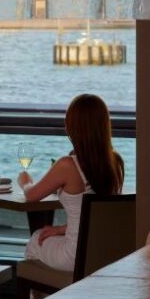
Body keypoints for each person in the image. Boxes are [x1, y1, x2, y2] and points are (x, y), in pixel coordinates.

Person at [20, 93, 124, 273]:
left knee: (35, 240)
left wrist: (25, 181)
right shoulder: (115, 162)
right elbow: (100, 217)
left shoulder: (68, 165)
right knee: (47, 236)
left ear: (72, 127)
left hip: (75, 256)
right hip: (106, 252)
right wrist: (60, 229)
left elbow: (31, 196)